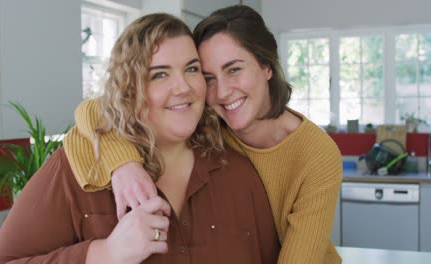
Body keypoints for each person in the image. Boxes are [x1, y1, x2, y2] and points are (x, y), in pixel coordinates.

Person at [0, 13, 280, 264]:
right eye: (159, 75)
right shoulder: (77, 169)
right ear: (129, 89)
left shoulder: (239, 173)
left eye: (191, 69)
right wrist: (103, 254)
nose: (184, 87)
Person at [63, 5, 342, 264]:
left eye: (234, 69)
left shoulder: (317, 154)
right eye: (208, 77)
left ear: (267, 66)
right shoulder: (208, 122)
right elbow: (97, 108)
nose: (221, 92)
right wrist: (123, 164)